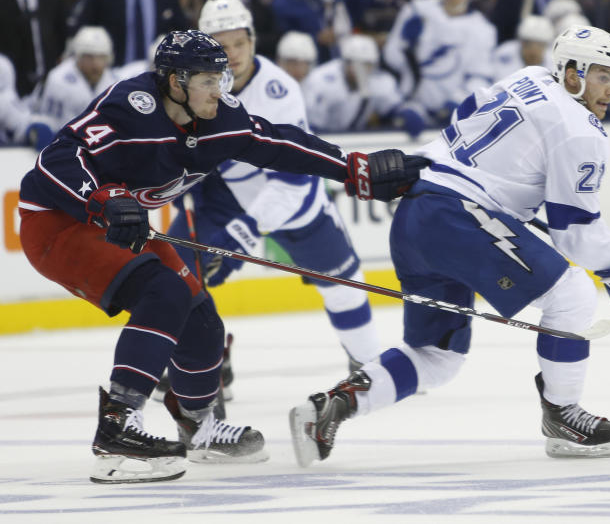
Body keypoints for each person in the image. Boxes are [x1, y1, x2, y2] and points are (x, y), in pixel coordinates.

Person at [17, 29, 426, 483]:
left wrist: (353, 169)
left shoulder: (220, 117)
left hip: (120, 221)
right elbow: (58, 158)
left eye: (223, 78)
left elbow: (276, 142)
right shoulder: (129, 107)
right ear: (175, 82)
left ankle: (199, 425)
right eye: (209, 81)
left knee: (201, 317)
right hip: (59, 223)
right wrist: (103, 198)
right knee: (166, 291)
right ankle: (117, 429)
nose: (222, 90)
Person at [289, 25, 610, 465]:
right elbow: (576, 235)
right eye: (602, 76)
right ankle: (562, 414)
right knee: (573, 293)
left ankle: (330, 408)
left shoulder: (530, 77)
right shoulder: (581, 130)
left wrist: (425, 163)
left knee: (437, 356)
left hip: (417, 210)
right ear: (573, 72)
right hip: (459, 217)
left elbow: (461, 128)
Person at [171, 0, 390, 388]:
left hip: (293, 204)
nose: (232, 54)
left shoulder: (279, 91)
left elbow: (294, 178)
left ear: (253, 40)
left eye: (239, 43)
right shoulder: (188, 85)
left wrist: (242, 233)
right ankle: (205, 359)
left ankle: (368, 362)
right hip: (223, 194)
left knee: (342, 283)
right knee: (182, 270)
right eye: (221, 46)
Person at [382, 0, 496, 126]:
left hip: (455, 115)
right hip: (413, 106)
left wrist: (459, 102)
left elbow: (480, 76)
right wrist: (406, 45)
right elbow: (392, 58)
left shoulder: (483, 29)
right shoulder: (416, 10)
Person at [301, 33, 426, 137]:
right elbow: (310, 125)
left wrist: (408, 112)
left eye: (368, 64)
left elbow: (395, 106)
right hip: (323, 138)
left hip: (355, 139)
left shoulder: (378, 81)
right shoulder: (320, 80)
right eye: (358, 64)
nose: (364, 70)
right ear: (346, 62)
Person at [38, 26, 120, 128]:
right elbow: (55, 125)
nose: (96, 64)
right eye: (89, 56)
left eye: (101, 57)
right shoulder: (58, 79)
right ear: (78, 56)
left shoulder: (115, 81)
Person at [492, 15, 554, 80]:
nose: (533, 50)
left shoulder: (554, 63)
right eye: (528, 43)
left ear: (546, 46)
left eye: (540, 45)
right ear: (521, 42)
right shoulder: (504, 53)